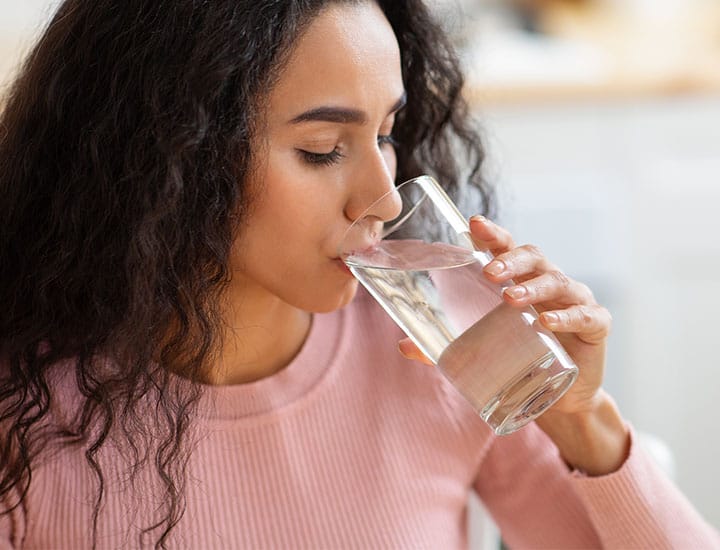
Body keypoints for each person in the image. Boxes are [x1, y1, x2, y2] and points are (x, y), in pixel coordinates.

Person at [0, 1, 717, 548]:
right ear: (169, 158)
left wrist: (579, 419)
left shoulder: (446, 353)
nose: (383, 194)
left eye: (386, 134)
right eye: (321, 148)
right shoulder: (27, 412)